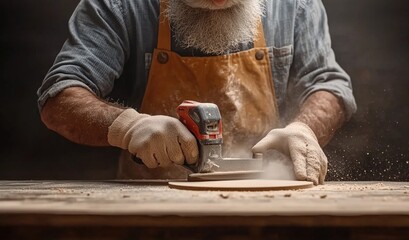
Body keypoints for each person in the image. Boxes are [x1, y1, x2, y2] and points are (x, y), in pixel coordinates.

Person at [37, 0, 357, 185]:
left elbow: (328, 84)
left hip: (267, 199)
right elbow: (60, 96)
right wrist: (127, 126)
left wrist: (304, 129)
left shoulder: (294, 5)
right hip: (147, 206)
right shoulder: (120, 5)